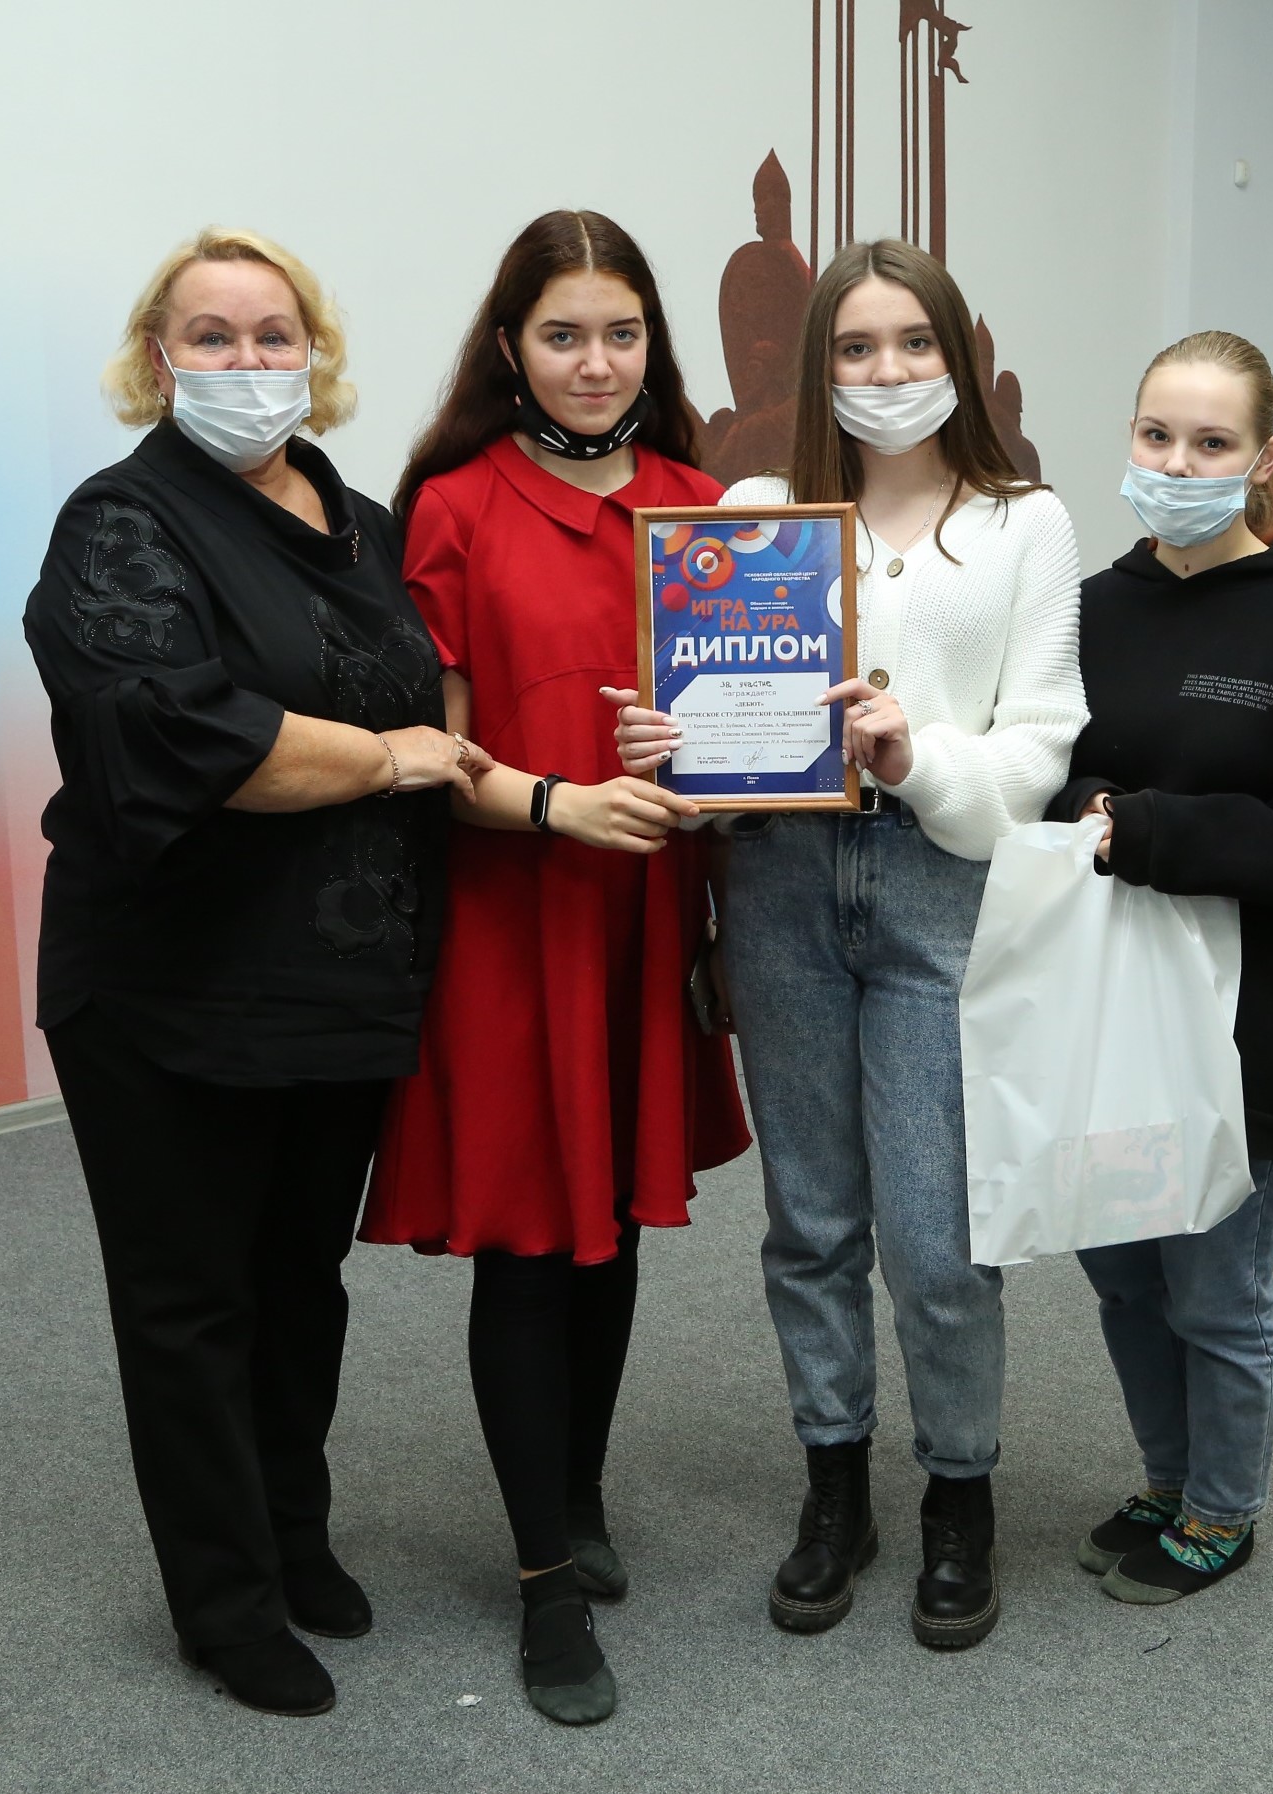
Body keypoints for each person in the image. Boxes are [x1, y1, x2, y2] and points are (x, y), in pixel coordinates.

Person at [24, 228, 484, 1719]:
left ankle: (294, 1535)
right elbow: (189, 736)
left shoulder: (358, 521)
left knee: (300, 1283)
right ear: (157, 360)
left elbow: (435, 701)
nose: (245, 362)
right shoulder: (119, 524)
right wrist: (388, 757)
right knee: (191, 1301)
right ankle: (224, 1604)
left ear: (314, 353)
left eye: (272, 334)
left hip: (336, 982)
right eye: (210, 337)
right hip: (170, 984)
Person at [616, 239, 1085, 1651]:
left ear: (956, 356)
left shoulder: (1024, 522)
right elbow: (717, 729)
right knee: (811, 1218)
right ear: (816, 365)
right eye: (855, 348)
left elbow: (1038, 750)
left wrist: (914, 752)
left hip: (939, 881)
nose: (886, 372)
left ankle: (958, 1493)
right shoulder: (755, 512)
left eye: (912, 343)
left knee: (937, 1238)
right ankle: (835, 1486)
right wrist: (673, 746)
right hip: (778, 886)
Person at [362, 210, 751, 1726]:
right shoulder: (452, 508)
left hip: (647, 917)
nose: (595, 363)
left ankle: (576, 1494)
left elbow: (745, 733)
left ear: (654, 344)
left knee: (614, 1222)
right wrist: (558, 805)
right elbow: (435, 753)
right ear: (509, 346)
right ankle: (541, 1587)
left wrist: (720, 778)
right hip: (515, 917)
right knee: (532, 1242)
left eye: (621, 333)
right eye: (563, 334)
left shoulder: (702, 506)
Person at [1050, 330, 1273, 1604]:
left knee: (1214, 1287)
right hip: (1100, 1003)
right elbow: (1042, 767)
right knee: (1121, 1278)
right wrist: (1089, 807)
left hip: (1235, 1016)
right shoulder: (1089, 608)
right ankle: (1165, 1477)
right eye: (1155, 436)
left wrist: (1164, 833)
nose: (1175, 464)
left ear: (1263, 458)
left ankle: (1221, 1508)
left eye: (1210, 444)